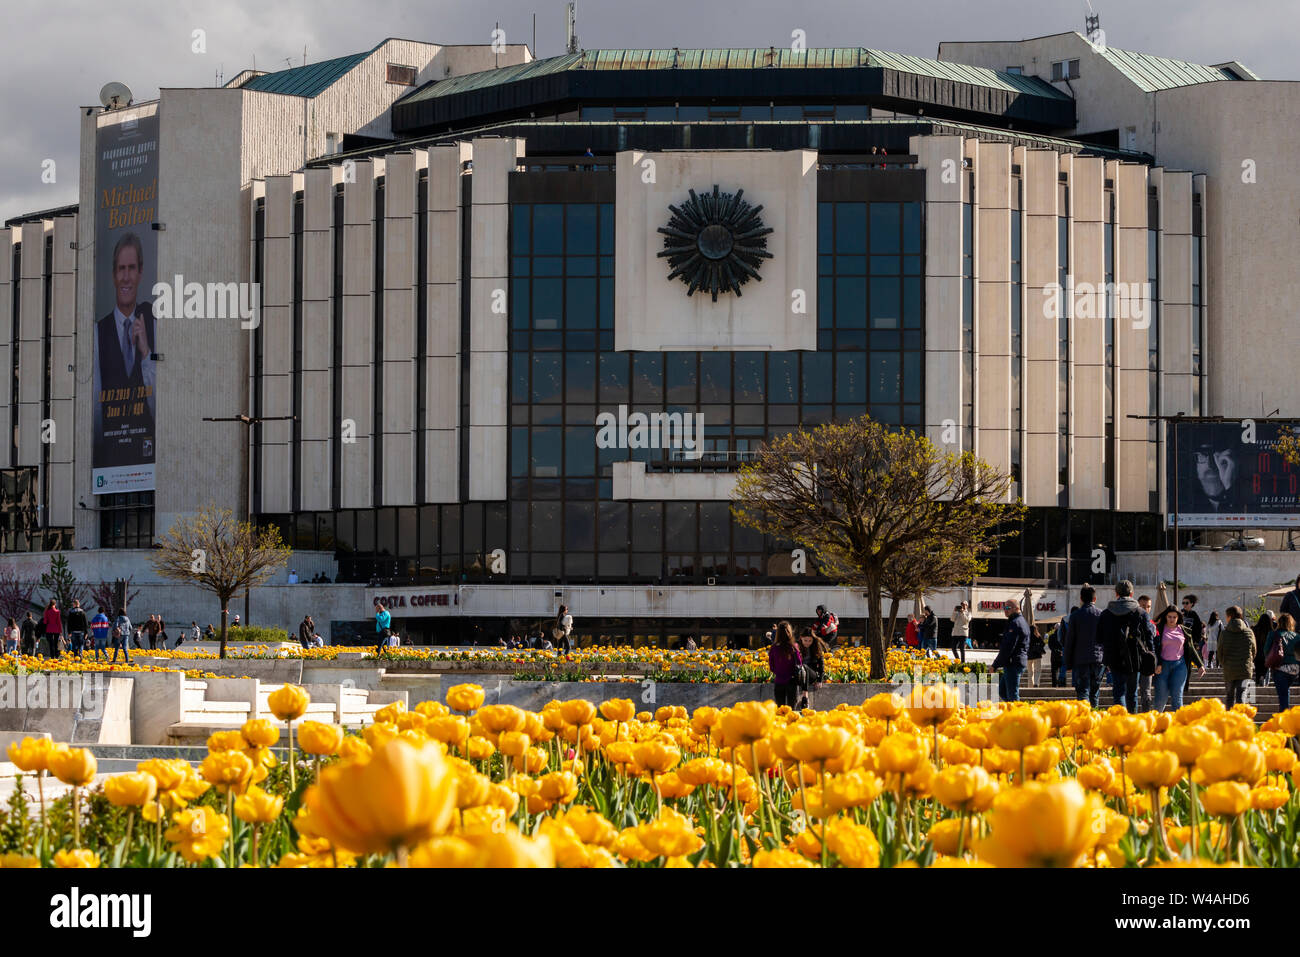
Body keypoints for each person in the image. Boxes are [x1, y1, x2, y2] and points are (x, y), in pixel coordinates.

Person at [1097, 580, 1154, 713]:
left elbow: (1099, 638)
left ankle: (1121, 720)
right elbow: (1149, 637)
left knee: (1118, 692)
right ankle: (1131, 721)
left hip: (1114, 658)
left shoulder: (1106, 613)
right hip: (1135, 658)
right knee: (1132, 693)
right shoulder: (1140, 612)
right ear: (1132, 594)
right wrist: (1152, 657)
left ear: (1116, 594)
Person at [1152, 606, 1205, 712]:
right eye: (1169, 617)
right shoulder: (1158, 629)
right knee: (1161, 698)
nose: (1171, 619)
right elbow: (1154, 648)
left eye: (1174, 617)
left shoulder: (1183, 630)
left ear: (1178, 618)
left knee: (1177, 697)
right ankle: (1156, 724)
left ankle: (1179, 725)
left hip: (1180, 666)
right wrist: (1155, 664)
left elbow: (1190, 649)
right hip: (1162, 666)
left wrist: (1200, 665)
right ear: (1165, 617)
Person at [1065, 587, 1104, 707]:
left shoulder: (1075, 616)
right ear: (1095, 599)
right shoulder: (1101, 614)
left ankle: (1084, 719)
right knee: (1094, 693)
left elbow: (1070, 640)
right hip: (1098, 659)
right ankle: (1095, 719)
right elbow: (1106, 639)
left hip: (1080, 659)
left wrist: (1068, 663)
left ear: (1081, 599)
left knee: (1083, 692)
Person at [992, 598, 1030, 702]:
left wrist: (995, 665)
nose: (1005, 610)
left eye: (1008, 607)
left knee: (1012, 694)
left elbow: (1008, 647)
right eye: (1004, 607)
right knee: (1002, 691)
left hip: (1014, 662)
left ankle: (1016, 715)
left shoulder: (1016, 623)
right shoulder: (1019, 621)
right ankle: (1011, 711)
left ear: (1017, 608)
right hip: (1013, 662)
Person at [1218, 605, 1256, 708]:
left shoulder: (1224, 633)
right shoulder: (1249, 632)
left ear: (1229, 617)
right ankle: (1240, 719)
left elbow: (1220, 652)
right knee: (1242, 695)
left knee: (1230, 696)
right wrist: (1249, 661)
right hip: (1245, 669)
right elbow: (1254, 650)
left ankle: (1230, 720)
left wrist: (1224, 663)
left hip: (1229, 669)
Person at [1264, 613, 1300, 711]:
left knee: (1283, 696)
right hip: (1294, 670)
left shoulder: (1274, 634)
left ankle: (1284, 720)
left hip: (1280, 668)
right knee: (1285, 691)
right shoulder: (1297, 636)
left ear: (1279, 622)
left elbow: (1266, 650)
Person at [767, 621, 803, 709]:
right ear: (790, 632)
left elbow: (771, 666)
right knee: (792, 710)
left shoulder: (774, 648)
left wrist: (779, 672)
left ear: (778, 633)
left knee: (780, 710)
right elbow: (799, 663)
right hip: (792, 681)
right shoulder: (794, 647)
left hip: (779, 681)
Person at [1136, 595, 1159, 712]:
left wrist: (1155, 663)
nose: (1146, 608)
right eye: (1143, 606)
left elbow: (1156, 644)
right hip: (1134, 660)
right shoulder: (1133, 620)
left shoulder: (1153, 625)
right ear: (1138, 605)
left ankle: (1146, 716)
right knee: (1132, 691)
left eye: (1148, 606)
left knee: (1146, 692)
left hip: (1147, 661)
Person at [796, 627, 827, 710]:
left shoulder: (816, 646)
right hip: (799, 674)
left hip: (811, 674)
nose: (807, 643)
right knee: (801, 668)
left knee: (804, 667)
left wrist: (820, 680)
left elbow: (821, 665)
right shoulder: (796, 646)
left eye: (810, 641)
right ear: (801, 638)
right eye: (805, 640)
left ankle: (805, 698)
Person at [1252, 611, 1275, 685]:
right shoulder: (1271, 631)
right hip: (1267, 654)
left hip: (1257, 654)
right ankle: (1264, 680)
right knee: (1266, 670)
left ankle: (1258, 681)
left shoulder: (1255, 629)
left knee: (1258, 670)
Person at [1026, 623, 1047, 687]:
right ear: (1036, 629)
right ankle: (1036, 683)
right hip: (1037, 655)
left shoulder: (1027, 636)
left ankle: (1030, 685)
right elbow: (1043, 644)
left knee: (1030, 672)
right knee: (1037, 670)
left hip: (1029, 656)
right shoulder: (1038, 636)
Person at [1047, 621, 1065, 687]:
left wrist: (1056, 651)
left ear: (1054, 628)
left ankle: (1054, 685)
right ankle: (1062, 684)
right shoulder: (1063, 636)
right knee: (1062, 671)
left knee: (1054, 672)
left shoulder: (1051, 636)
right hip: (1062, 655)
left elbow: (1050, 646)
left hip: (1054, 656)